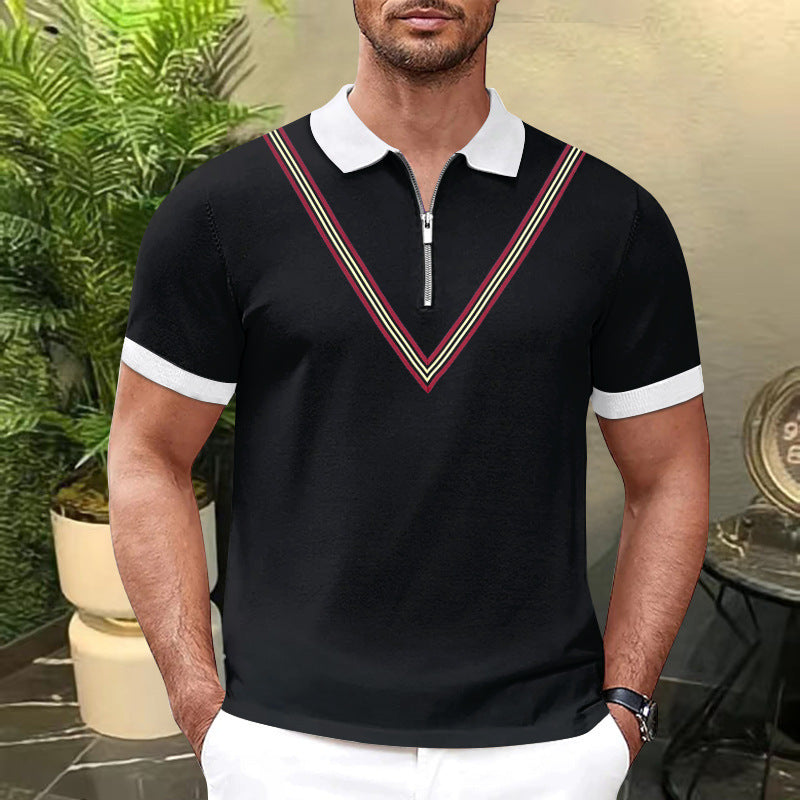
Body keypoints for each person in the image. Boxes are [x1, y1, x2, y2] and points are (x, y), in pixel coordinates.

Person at [108, 0, 710, 797]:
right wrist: (199, 704)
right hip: (284, 745)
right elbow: (148, 454)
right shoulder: (223, 211)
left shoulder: (612, 218)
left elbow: (669, 476)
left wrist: (626, 712)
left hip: (545, 748)